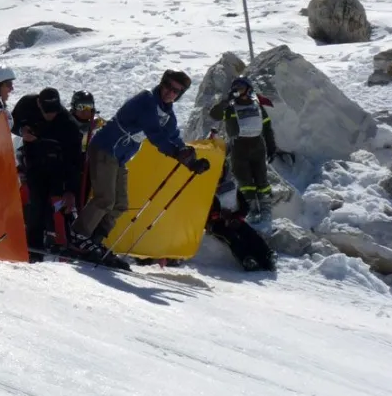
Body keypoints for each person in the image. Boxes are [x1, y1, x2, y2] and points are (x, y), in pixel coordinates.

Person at [71, 70, 210, 266]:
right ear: (162, 84)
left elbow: (173, 137)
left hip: (119, 157)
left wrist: (191, 161)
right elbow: (155, 135)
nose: (171, 93)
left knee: (120, 204)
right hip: (105, 148)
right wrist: (178, 154)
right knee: (105, 199)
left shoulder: (166, 111)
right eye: (169, 87)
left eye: (177, 91)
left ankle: (95, 240)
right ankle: (78, 236)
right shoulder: (146, 100)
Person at [11, 88, 83, 258]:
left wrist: (71, 190)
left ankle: (67, 244)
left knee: (62, 207)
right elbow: (10, 122)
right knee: (37, 205)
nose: (50, 116)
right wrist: (22, 132)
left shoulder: (68, 124)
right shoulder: (26, 104)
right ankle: (34, 249)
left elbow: (75, 162)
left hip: (58, 167)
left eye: (54, 112)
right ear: (38, 104)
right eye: (46, 112)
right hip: (35, 164)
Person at [208, 76, 276, 221]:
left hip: (258, 145)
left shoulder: (257, 105)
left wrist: (271, 146)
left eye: (241, 86)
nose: (238, 89)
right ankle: (252, 208)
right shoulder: (230, 107)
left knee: (261, 177)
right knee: (244, 179)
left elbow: (267, 127)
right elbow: (214, 114)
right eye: (235, 87)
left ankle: (265, 208)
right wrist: (226, 101)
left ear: (248, 88)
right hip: (239, 147)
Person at [206, 159, 277, 271]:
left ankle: (267, 257)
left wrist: (237, 217)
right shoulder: (205, 188)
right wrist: (219, 215)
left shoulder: (231, 186)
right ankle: (246, 260)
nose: (218, 174)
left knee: (250, 233)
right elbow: (203, 214)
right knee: (231, 236)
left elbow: (244, 206)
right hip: (215, 224)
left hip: (234, 219)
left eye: (220, 170)